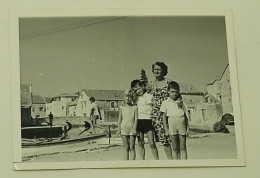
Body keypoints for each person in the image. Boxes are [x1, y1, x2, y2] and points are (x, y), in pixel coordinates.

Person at [150, 61, 182, 159]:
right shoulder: (151, 84)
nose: (157, 71)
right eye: (155, 69)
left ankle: (178, 160)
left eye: (159, 69)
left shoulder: (169, 82)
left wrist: (179, 101)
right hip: (157, 115)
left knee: (174, 137)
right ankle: (170, 160)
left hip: (170, 112)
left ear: (163, 71)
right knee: (164, 139)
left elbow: (178, 95)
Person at [131, 79, 159, 160]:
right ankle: (142, 161)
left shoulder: (150, 96)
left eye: (138, 88)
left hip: (148, 120)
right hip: (138, 121)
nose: (137, 91)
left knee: (151, 143)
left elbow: (156, 107)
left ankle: (157, 161)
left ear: (143, 86)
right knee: (140, 143)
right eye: (135, 90)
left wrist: (154, 117)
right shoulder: (135, 99)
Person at [160, 81, 189, 159]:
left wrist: (187, 128)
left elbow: (186, 116)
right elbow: (164, 117)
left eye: (176, 92)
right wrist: (166, 129)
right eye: (172, 92)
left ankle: (185, 164)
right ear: (168, 91)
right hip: (172, 124)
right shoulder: (165, 102)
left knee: (183, 147)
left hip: (181, 124)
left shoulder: (181, 103)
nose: (174, 94)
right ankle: (176, 164)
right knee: (175, 148)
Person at [117, 89, 138, 160]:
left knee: (132, 147)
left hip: (132, 128)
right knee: (126, 147)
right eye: (126, 96)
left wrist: (135, 128)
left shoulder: (135, 108)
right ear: (124, 97)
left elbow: (136, 119)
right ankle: (126, 163)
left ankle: (132, 163)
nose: (127, 98)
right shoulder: (121, 107)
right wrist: (119, 129)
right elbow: (119, 119)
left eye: (129, 97)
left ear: (132, 98)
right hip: (124, 128)